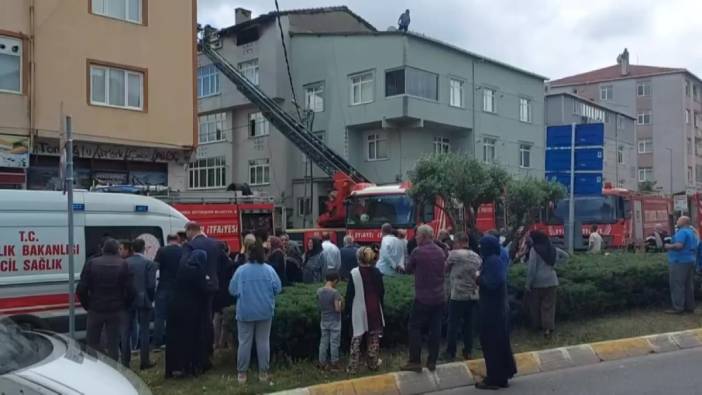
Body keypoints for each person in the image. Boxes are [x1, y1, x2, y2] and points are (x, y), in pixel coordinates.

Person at [229, 241, 282, 385]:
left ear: (248, 254)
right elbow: (278, 288)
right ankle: (263, 374)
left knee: (244, 342)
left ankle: (242, 375)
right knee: (263, 342)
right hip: (265, 310)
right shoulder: (269, 270)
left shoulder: (241, 270)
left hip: (245, 311)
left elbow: (232, 290)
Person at [77, 238, 135, 362]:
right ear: (116, 250)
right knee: (113, 343)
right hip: (115, 309)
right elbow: (131, 290)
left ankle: (94, 369)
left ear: (103, 249)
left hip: (95, 308)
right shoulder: (123, 264)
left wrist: (88, 305)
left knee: (92, 342)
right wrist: (124, 305)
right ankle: (113, 371)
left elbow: (81, 289)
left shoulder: (92, 263)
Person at [181, 221, 229, 365]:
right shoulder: (215, 244)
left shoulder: (190, 246)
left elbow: (185, 267)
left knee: (197, 320)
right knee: (209, 319)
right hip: (212, 286)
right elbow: (224, 265)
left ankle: (198, 352)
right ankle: (209, 349)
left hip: (195, 288)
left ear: (190, 231)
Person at [401, 225, 446, 373]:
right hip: (439, 297)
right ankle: (432, 361)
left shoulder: (418, 252)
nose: (416, 238)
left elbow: (408, 269)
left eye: (418, 235)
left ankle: (415, 361)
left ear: (424, 236)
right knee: (435, 330)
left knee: (415, 327)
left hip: (422, 298)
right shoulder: (441, 252)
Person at [474, 235, 517, 390]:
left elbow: (493, 282)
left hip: (493, 311)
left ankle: (494, 378)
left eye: (482, 246)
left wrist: (478, 279)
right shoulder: (494, 260)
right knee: (499, 344)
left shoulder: (492, 262)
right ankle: (501, 376)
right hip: (496, 309)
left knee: (491, 344)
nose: (480, 249)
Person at [166, 249, 209, 378]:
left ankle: (173, 368)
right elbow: (203, 290)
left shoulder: (182, 269)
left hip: (175, 308)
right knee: (191, 338)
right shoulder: (198, 272)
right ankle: (190, 367)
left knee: (175, 339)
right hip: (191, 310)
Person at [345, 246, 385, 374]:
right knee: (373, 338)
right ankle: (373, 363)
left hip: (358, 308)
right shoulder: (377, 272)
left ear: (358, 258)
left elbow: (349, 294)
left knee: (356, 338)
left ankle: (353, 366)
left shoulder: (354, 272)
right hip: (374, 307)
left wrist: (347, 310)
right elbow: (381, 291)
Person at [444, 232, 481, 361]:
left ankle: (450, 352)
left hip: (457, 294)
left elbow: (445, 268)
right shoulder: (476, 256)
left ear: (459, 242)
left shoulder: (455, 254)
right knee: (468, 325)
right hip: (472, 295)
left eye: (455, 242)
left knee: (453, 324)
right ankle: (468, 351)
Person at [120, 238, 157, 370]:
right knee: (145, 331)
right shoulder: (149, 263)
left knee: (125, 331)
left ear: (132, 249)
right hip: (144, 299)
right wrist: (150, 298)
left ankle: (125, 362)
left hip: (126, 300)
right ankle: (144, 361)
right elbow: (152, 285)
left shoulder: (124, 263)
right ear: (144, 248)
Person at [525, 231, 569, 338]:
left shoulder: (534, 250)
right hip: (552, 281)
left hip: (537, 282)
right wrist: (557, 265)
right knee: (548, 306)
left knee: (535, 306)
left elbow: (531, 269)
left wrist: (528, 284)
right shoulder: (553, 249)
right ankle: (548, 328)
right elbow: (566, 256)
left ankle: (536, 326)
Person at [153, 234, 183, 349]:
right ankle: (175, 339)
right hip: (178, 289)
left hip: (163, 287)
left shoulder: (162, 251)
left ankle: (158, 342)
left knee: (160, 316)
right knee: (176, 316)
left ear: (167, 240)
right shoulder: (182, 251)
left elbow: (155, 266)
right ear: (178, 240)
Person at [664, 216, 699, 314]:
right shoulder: (691, 232)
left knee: (677, 284)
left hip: (679, 261)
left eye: (679, 220)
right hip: (690, 260)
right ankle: (690, 306)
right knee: (688, 285)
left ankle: (678, 307)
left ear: (684, 222)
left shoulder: (682, 232)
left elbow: (679, 245)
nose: (677, 221)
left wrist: (668, 246)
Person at [317, 272, 343, 371]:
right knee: (334, 342)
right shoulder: (335, 293)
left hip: (324, 319)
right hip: (335, 321)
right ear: (335, 280)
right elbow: (337, 308)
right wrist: (341, 302)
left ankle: (321, 362)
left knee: (323, 342)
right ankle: (334, 362)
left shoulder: (319, 291)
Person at [213, 242, 236, 350]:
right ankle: (223, 344)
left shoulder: (214, 262)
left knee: (217, 318)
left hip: (216, 293)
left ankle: (216, 342)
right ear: (227, 251)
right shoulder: (229, 263)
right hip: (226, 294)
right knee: (226, 321)